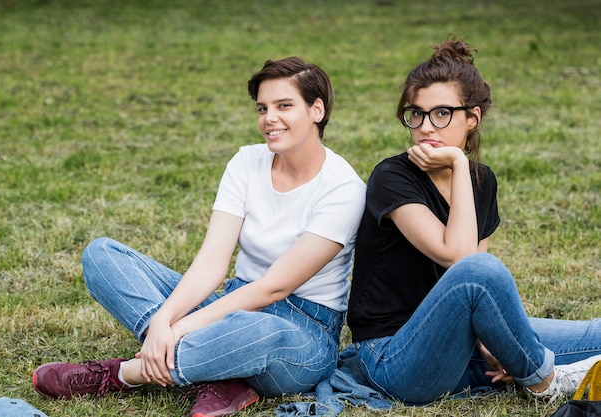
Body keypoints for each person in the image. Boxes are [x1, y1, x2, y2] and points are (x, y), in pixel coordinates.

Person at [33, 57, 366, 417]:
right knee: (102, 256)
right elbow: (211, 262)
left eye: (284, 106)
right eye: (262, 108)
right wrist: (162, 321)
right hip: (234, 300)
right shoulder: (247, 162)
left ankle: (123, 374)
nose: (269, 118)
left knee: (255, 330)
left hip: (302, 332)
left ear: (316, 109)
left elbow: (274, 289)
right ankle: (222, 373)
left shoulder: (343, 188)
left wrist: (175, 330)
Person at [346, 38, 601, 405]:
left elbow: (478, 294)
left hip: (463, 349)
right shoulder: (391, 177)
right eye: (416, 114)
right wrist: (459, 162)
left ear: (473, 118)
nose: (426, 127)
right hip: (393, 358)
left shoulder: (482, 182)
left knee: (593, 334)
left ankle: (535, 366)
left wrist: (493, 343)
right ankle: (544, 383)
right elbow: (462, 259)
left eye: (442, 113)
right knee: (482, 269)